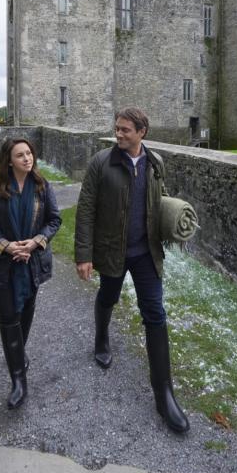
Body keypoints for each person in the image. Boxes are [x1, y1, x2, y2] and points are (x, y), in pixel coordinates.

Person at [74, 107, 190, 433]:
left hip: (146, 255)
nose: (119, 134)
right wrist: (84, 254)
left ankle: (164, 395)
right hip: (112, 252)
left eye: (126, 130)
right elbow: (85, 211)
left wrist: (173, 220)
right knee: (108, 296)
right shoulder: (101, 163)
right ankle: (101, 338)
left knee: (155, 313)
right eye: (117, 128)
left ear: (142, 132)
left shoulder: (155, 164)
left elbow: (160, 199)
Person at [0, 137, 61, 408]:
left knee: (25, 313)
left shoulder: (42, 186)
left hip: (33, 262)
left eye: (29, 153)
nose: (27, 159)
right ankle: (18, 380)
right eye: (20, 155)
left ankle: (18, 354)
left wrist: (37, 241)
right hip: (3, 264)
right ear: (9, 161)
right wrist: (7, 246)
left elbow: (54, 220)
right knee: (8, 317)